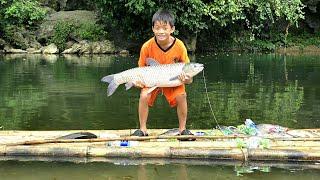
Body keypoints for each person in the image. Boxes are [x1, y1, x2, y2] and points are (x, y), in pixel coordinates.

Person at [131, 9, 194, 138]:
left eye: (165, 28)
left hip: (173, 80)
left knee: (182, 96)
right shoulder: (146, 46)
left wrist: (187, 78)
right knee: (144, 96)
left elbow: (189, 79)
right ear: (153, 29)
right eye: (157, 28)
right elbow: (140, 71)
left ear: (172, 29)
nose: (161, 31)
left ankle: (182, 129)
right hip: (152, 80)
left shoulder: (180, 46)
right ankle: (142, 129)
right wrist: (136, 83)